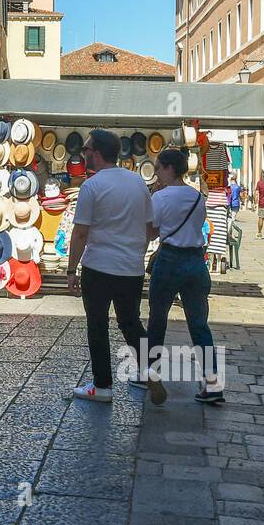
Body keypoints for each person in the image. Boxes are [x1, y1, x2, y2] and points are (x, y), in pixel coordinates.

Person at [66, 129, 153, 404]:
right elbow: (150, 228)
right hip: (131, 267)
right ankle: (151, 368)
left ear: (97, 153)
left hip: (99, 266)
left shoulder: (91, 187)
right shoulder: (138, 182)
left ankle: (102, 386)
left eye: (87, 150)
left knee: (97, 325)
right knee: (130, 321)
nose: (84, 154)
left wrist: (70, 270)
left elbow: (80, 233)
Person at [146, 149, 224, 405]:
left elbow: (152, 233)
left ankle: (151, 374)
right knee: (199, 325)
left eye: (158, 167)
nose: (156, 171)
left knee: (157, 319)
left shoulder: (161, 197)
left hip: (169, 260)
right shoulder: (197, 197)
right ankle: (213, 385)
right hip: (195, 261)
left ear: (169, 168)